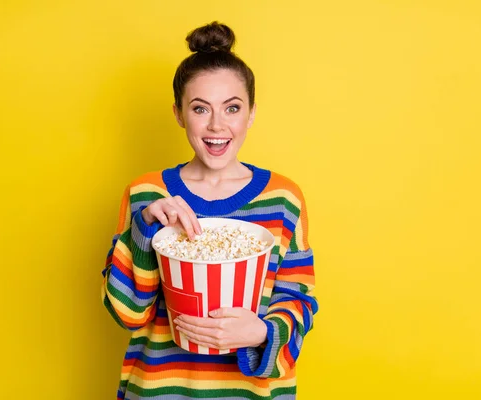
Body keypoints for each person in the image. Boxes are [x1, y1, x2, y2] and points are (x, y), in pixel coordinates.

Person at [101, 21, 319, 400]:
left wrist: (262, 333)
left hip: (250, 391)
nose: (217, 125)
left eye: (232, 108)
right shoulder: (146, 194)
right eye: (200, 109)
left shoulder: (284, 198)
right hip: (159, 389)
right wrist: (146, 226)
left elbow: (300, 301)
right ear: (178, 113)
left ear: (250, 113)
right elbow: (126, 313)